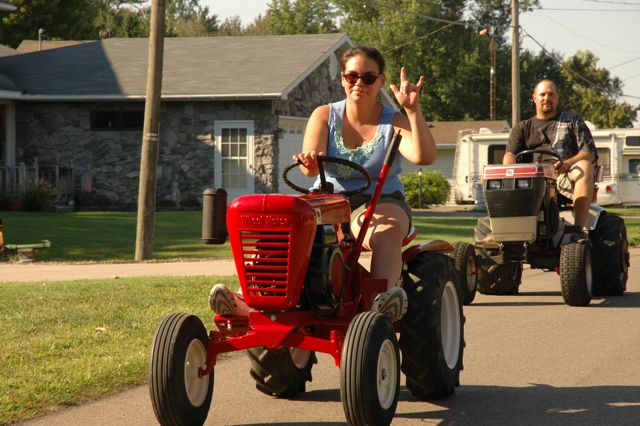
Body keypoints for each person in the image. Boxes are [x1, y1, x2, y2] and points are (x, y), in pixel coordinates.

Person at [210, 45, 436, 323]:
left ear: (380, 80)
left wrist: (412, 110)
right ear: (343, 78)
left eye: (368, 78)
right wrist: (310, 162)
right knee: (283, 225)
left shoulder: (394, 120)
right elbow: (310, 170)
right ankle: (256, 301)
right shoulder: (325, 115)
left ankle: (382, 303)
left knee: (385, 231)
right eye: (352, 76)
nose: (359, 83)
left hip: (380, 200)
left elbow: (423, 156)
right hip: (328, 200)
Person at [504, 79, 597, 242]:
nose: (547, 98)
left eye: (551, 94)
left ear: (557, 97)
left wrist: (567, 163)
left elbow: (589, 153)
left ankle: (577, 230)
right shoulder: (522, 128)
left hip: (562, 176)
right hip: (531, 180)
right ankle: (501, 232)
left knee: (584, 166)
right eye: (542, 94)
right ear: (534, 98)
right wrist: (508, 169)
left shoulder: (572, 121)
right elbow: (510, 154)